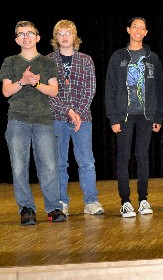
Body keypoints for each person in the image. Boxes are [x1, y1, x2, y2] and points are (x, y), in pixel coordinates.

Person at [0, 21, 67, 225]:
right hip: (17, 120)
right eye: (21, 34)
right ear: (16, 39)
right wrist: (22, 81)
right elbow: (6, 91)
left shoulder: (48, 63)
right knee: (19, 166)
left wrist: (36, 83)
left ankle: (53, 207)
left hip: (43, 120)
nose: (26, 37)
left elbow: (54, 90)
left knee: (48, 165)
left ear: (38, 37)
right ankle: (26, 208)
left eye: (30, 33)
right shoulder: (10, 61)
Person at [105, 17, 163, 218]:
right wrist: (113, 117)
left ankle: (143, 199)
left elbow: (159, 88)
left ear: (146, 32)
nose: (138, 31)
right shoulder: (118, 57)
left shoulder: (152, 58)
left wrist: (159, 116)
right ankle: (125, 201)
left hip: (146, 117)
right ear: (128, 30)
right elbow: (110, 89)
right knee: (123, 158)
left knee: (143, 156)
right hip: (124, 117)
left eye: (142, 28)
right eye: (135, 27)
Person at [47, 20, 104, 216]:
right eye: (60, 33)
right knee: (59, 162)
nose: (64, 37)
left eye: (68, 33)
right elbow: (48, 93)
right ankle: (62, 201)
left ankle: (91, 201)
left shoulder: (86, 60)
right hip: (57, 118)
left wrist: (78, 112)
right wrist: (67, 111)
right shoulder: (48, 61)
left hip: (83, 118)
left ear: (75, 37)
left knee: (86, 161)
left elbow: (90, 89)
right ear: (56, 38)